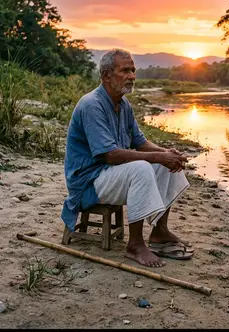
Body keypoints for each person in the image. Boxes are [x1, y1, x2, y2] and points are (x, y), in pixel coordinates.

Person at [61, 48, 193, 267]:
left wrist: (166, 154)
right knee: (141, 167)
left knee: (163, 165)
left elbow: (140, 142)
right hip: (89, 183)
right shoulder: (92, 104)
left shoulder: (123, 104)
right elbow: (110, 155)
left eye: (133, 70)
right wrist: (157, 157)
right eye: (125, 70)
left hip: (108, 176)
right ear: (106, 76)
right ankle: (135, 244)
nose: (132, 76)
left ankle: (159, 232)